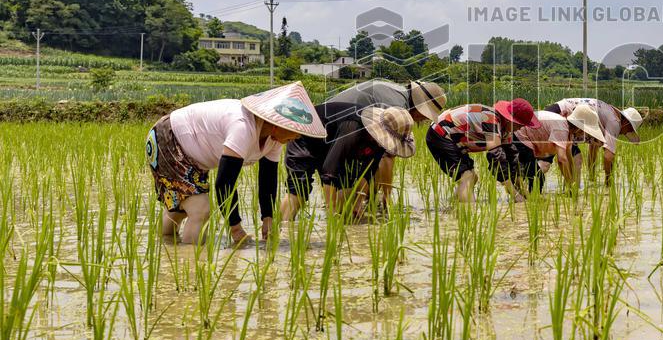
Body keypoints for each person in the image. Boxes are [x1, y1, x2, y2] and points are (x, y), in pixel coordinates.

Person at [145, 82, 326, 245]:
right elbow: (225, 183)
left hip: (194, 156)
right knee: (200, 211)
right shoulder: (243, 127)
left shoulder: (274, 140)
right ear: (278, 124)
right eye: (295, 130)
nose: (297, 136)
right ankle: (188, 266)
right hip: (168, 138)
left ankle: (165, 247)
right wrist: (236, 227)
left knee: (182, 207)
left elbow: (267, 180)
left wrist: (268, 218)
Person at [279, 103, 415, 221]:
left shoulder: (378, 143)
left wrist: (358, 202)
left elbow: (367, 172)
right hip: (307, 136)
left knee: (347, 187)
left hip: (330, 142)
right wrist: (332, 215)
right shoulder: (354, 127)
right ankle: (280, 230)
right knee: (299, 189)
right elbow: (329, 172)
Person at [325, 79, 446, 203]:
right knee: (346, 192)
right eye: (425, 114)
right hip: (333, 129)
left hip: (340, 127)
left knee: (366, 175)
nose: (423, 119)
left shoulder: (398, 94)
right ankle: (338, 212)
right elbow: (387, 157)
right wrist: (387, 198)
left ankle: (364, 203)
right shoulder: (395, 107)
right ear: (419, 105)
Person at [426, 98, 541, 202]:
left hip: (454, 139)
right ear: (510, 120)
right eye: (519, 125)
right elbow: (497, 158)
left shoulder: (506, 130)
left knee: (472, 177)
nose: (521, 128)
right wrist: (515, 195)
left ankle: (454, 206)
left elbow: (512, 160)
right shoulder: (491, 119)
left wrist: (526, 194)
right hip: (440, 134)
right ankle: (469, 215)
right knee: (467, 176)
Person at [486, 103, 606, 199]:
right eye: (585, 131)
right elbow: (562, 159)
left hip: (522, 138)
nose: (585, 134)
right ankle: (529, 200)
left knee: (530, 174)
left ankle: (524, 196)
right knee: (537, 177)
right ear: (580, 128)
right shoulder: (562, 128)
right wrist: (570, 185)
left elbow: (568, 157)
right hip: (519, 136)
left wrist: (572, 184)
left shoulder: (567, 133)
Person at [544, 98, 644, 186]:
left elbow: (593, 148)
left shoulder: (605, 115)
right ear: (627, 124)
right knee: (545, 164)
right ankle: (568, 193)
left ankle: (569, 193)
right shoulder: (614, 123)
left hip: (556, 111)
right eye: (629, 130)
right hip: (560, 116)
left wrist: (591, 177)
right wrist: (608, 181)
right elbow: (608, 157)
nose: (625, 133)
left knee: (575, 160)